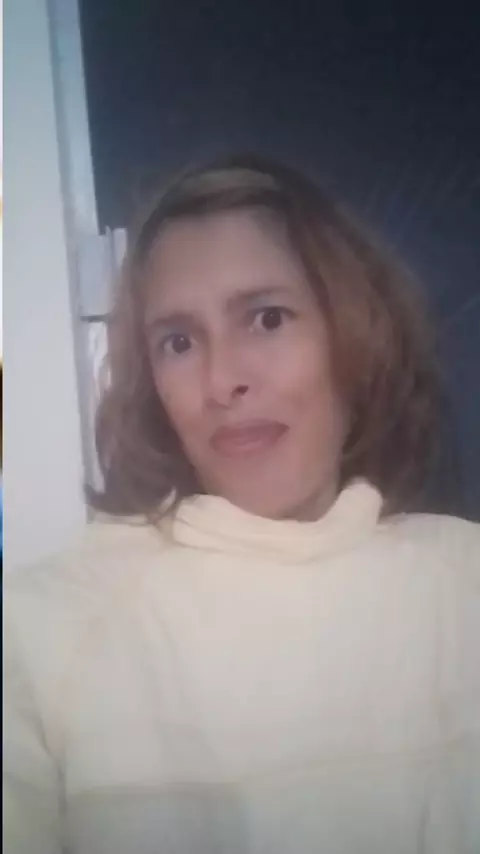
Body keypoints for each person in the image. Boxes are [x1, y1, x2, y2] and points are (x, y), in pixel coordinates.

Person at [4, 155, 479, 854]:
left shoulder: (464, 579)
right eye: (178, 342)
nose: (223, 379)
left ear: (353, 334)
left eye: (266, 318)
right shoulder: (40, 632)